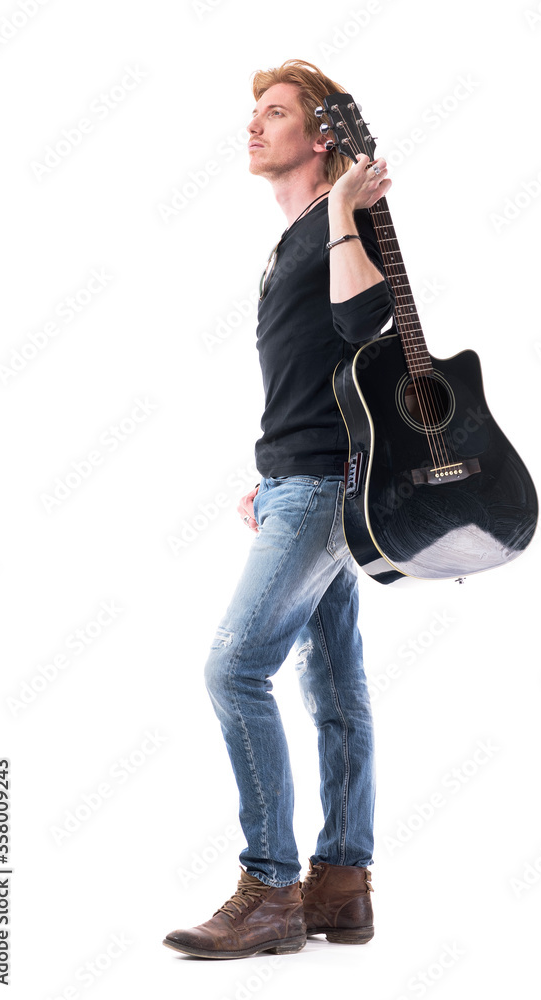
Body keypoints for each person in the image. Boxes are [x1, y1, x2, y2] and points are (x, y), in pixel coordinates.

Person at [163, 58, 395, 960]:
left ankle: (270, 889)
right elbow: (314, 374)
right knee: (332, 680)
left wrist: (344, 209)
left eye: (275, 113)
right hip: (302, 474)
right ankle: (341, 884)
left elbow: (361, 323)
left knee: (234, 669)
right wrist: (273, 468)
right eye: (253, 113)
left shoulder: (339, 219)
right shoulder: (293, 231)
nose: (254, 126)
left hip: (324, 483)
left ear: (320, 136)